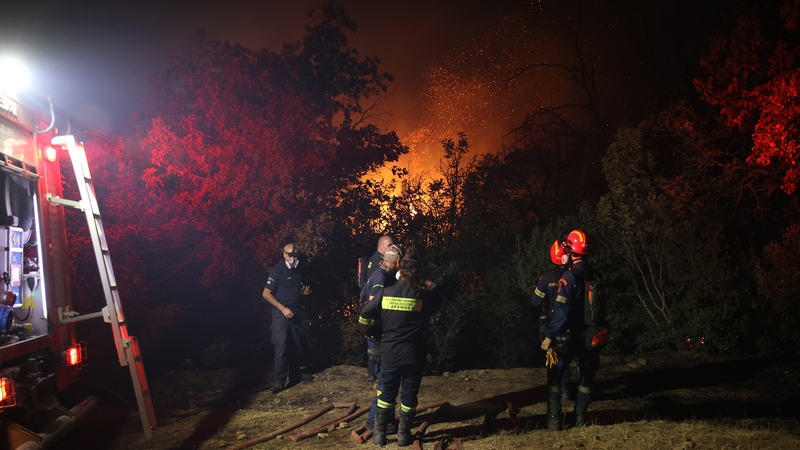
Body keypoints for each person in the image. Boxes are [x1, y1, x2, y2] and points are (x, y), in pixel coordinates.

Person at [359, 250, 444, 447]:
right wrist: (430, 282)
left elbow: (364, 315)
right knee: (409, 397)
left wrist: (373, 333)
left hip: (389, 354)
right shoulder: (422, 297)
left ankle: (379, 436)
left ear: (399, 271)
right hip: (413, 355)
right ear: (417, 274)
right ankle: (404, 436)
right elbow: (441, 298)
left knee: (385, 395)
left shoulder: (385, 293)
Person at [540, 229, 601, 430]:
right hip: (591, 335)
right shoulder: (595, 274)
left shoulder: (569, 278)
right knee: (586, 376)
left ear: (570, 251)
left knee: (555, 375)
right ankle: (580, 417)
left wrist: (550, 334)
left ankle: (554, 420)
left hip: (567, 336)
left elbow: (561, 312)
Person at [360, 244, 403, 433]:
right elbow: (374, 308)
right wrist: (380, 333)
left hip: (380, 337)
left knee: (387, 380)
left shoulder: (382, 275)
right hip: (379, 338)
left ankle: (386, 420)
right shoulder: (380, 278)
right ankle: (374, 420)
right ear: (398, 261)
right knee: (385, 381)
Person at [262, 242, 311, 393]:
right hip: (281, 313)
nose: (293, 258)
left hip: (295, 312)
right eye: (290, 255)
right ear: (284, 254)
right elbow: (266, 293)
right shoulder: (277, 271)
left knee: (296, 343)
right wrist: (283, 308)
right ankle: (279, 380)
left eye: (296, 255)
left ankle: (295, 374)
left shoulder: (298, 271)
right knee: (282, 345)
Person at [531, 239, 572, 401]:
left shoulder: (546, 278)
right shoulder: (573, 276)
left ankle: (554, 396)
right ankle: (566, 392)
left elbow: (535, 302)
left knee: (552, 361)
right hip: (570, 325)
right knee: (566, 358)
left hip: (551, 326)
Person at [361, 235, 394, 383]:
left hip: (372, 312)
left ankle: (372, 374)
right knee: (376, 345)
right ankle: (377, 376)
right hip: (375, 313)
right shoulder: (377, 266)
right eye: (389, 246)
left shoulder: (374, 262)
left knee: (374, 345)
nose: (392, 249)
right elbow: (375, 297)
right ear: (381, 247)